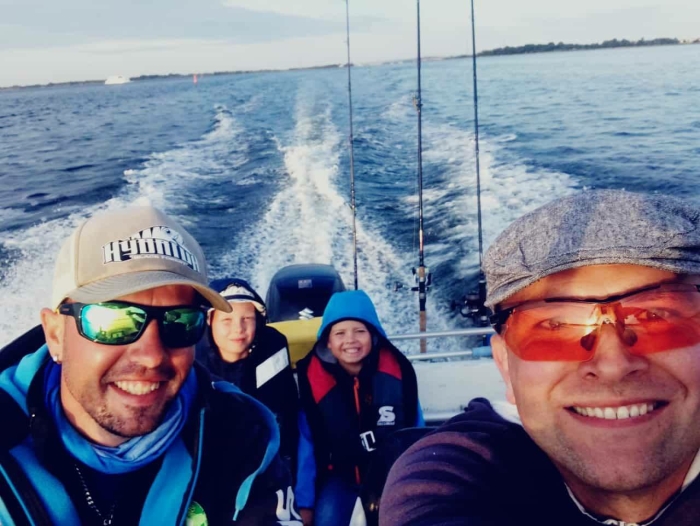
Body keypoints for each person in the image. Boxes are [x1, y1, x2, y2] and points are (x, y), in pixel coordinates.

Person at [380, 190, 700, 525]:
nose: (613, 366)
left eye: (654, 316)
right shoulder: (455, 472)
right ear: (505, 366)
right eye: (555, 327)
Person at [0, 205, 301, 525]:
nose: (152, 356)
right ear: (55, 333)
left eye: (180, 321)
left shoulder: (243, 434)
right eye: (114, 321)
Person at [295, 290, 424, 526]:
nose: (350, 340)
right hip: (338, 477)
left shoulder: (398, 374)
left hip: (390, 476)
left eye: (360, 331)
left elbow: (416, 432)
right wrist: (305, 503)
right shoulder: (313, 381)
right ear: (328, 342)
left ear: (373, 336)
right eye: (340, 333)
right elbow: (307, 445)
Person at [196, 278, 299, 476]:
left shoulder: (273, 347)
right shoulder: (190, 358)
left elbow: (289, 411)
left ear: (258, 321)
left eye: (247, 319)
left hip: (267, 464)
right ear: (209, 321)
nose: (238, 329)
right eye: (227, 320)